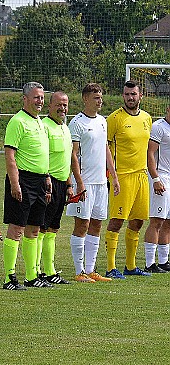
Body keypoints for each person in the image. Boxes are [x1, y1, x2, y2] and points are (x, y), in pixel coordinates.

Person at [2, 82, 52, 290]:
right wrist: (15, 183)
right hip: (23, 180)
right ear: (25, 99)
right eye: (36, 97)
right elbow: (10, 155)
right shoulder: (17, 121)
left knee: (34, 229)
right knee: (17, 229)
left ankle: (31, 275)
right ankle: (9, 277)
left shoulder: (40, 122)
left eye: (41, 97)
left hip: (40, 181)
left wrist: (47, 176)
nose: (39, 101)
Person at [66, 83, 117, 283]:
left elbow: (105, 150)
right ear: (85, 99)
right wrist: (79, 182)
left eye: (101, 97)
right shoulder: (77, 123)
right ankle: (79, 272)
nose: (100, 100)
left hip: (100, 182)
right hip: (84, 182)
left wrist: (113, 176)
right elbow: (73, 155)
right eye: (96, 97)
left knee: (96, 224)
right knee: (82, 224)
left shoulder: (103, 121)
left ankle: (91, 269)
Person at [105, 80, 153, 278]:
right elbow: (105, 147)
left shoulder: (147, 118)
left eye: (133, 94)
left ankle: (131, 267)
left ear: (140, 96)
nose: (130, 98)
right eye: (127, 94)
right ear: (123, 96)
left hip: (141, 176)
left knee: (138, 221)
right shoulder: (114, 118)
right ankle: (110, 267)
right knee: (116, 221)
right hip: (122, 177)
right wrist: (113, 176)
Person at [35, 91, 73, 285]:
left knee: (53, 229)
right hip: (47, 182)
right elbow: (43, 157)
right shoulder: (44, 127)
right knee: (41, 228)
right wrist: (47, 179)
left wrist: (69, 185)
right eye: (58, 104)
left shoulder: (65, 128)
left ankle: (49, 270)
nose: (62, 108)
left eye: (65, 105)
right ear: (50, 106)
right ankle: (38, 270)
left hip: (61, 183)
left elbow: (66, 160)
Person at [143, 104, 170, 273]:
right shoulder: (159, 127)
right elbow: (150, 153)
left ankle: (164, 261)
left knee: (168, 221)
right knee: (157, 220)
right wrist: (155, 178)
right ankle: (149, 263)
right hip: (162, 177)